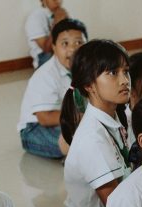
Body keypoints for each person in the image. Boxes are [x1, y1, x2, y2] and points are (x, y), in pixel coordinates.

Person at [54, 39, 132, 207]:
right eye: (112, 72)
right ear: (89, 85)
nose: (124, 80)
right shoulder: (92, 139)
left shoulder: (121, 116)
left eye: (126, 71)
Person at [18, 18, 87, 159]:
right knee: (78, 142)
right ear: (54, 47)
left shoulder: (86, 69)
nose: (73, 49)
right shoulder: (45, 75)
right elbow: (45, 118)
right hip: (35, 128)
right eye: (65, 43)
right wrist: (84, 117)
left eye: (79, 43)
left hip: (69, 121)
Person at [25, 0, 69, 69]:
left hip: (61, 52)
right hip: (45, 56)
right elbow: (46, 49)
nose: (58, 1)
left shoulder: (61, 14)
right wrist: (57, 24)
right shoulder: (35, 17)